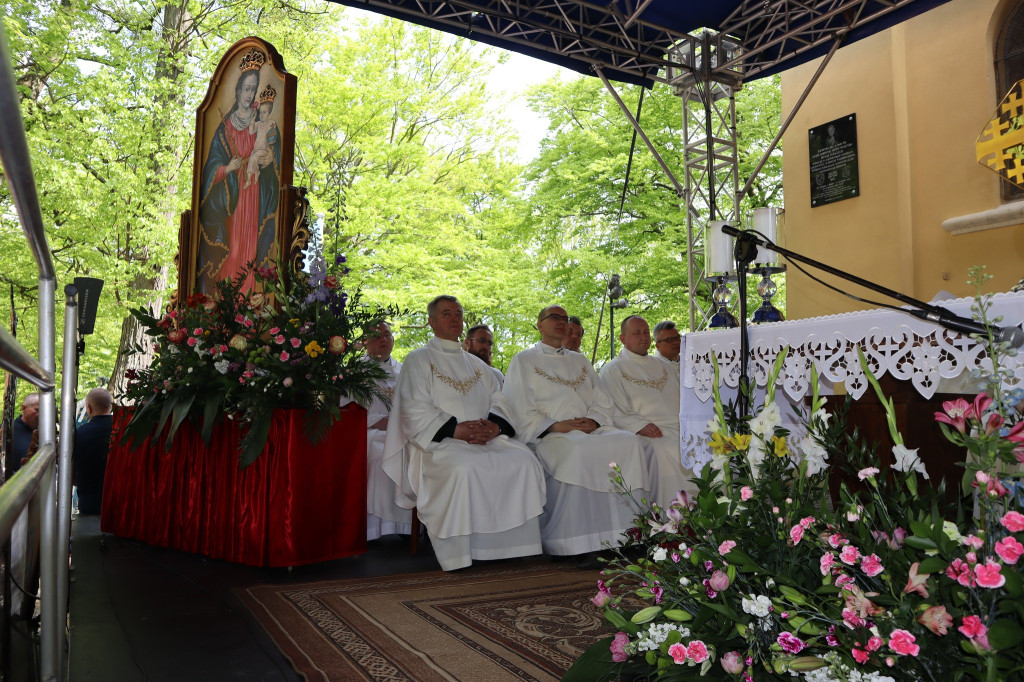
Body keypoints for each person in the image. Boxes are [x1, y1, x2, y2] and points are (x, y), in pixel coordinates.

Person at [382, 296, 546, 571]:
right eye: (447, 314)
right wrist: (455, 429)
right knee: (464, 466)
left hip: (486, 437)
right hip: (440, 442)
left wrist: (494, 426)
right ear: (432, 322)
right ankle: (462, 553)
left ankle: (513, 547)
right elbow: (412, 407)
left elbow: (502, 400)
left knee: (523, 461)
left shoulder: (479, 366)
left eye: (458, 313)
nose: (455, 318)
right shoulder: (418, 360)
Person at [503, 305, 654, 564]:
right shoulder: (524, 360)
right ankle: (577, 543)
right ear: (539, 325)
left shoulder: (580, 361)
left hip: (590, 430)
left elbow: (602, 399)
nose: (561, 322)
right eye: (555, 318)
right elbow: (516, 405)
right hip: (551, 435)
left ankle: (629, 536)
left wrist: (593, 420)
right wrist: (554, 425)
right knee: (578, 449)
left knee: (628, 442)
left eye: (564, 318)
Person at [198, 48, 281, 293]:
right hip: (233, 198)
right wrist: (227, 168)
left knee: (250, 251)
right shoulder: (225, 127)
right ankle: (227, 304)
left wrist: (268, 159)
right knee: (233, 249)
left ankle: (248, 304)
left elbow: (272, 151)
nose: (250, 94)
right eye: (246, 89)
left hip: (254, 196)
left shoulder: (261, 121)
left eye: (253, 89)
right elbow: (210, 167)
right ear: (238, 91)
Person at [600, 316, 695, 509]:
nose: (643, 337)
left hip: (680, 427)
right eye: (636, 333)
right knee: (668, 451)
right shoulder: (612, 370)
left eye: (645, 332)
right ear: (623, 339)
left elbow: (685, 401)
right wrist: (639, 426)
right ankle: (672, 517)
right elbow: (613, 408)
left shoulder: (665, 366)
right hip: (648, 433)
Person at [359, 320, 412, 540]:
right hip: (369, 432)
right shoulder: (353, 372)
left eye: (387, 335)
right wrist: (378, 421)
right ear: (364, 341)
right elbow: (347, 408)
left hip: (402, 431)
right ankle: (375, 528)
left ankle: (408, 527)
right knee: (381, 454)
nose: (383, 339)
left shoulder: (406, 371)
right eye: (376, 335)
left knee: (415, 454)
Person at [74, 388, 114, 515]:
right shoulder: (123, 430)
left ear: (89, 409)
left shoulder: (79, 434)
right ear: (111, 407)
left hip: (88, 503)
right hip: (118, 502)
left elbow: (71, 473)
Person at [243, 85, 276, 190]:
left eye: (264, 112)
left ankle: (248, 180)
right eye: (260, 113)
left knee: (253, 158)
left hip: (263, 149)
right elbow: (251, 131)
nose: (261, 115)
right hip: (256, 149)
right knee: (252, 162)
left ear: (269, 113)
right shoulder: (258, 124)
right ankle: (256, 175)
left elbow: (273, 137)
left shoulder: (271, 123)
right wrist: (253, 118)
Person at [8, 393, 39, 476]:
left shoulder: (43, 435)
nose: (41, 415)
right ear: (23, 408)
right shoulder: (7, 431)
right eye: (37, 410)